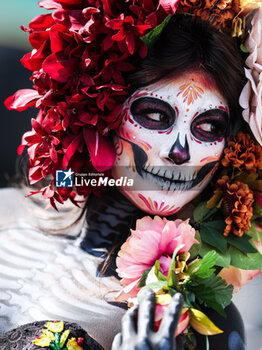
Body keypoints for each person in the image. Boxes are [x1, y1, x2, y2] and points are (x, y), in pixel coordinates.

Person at [1, 2, 262, 350]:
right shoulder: (8, 208)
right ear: (99, 108)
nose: (180, 151)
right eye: (155, 115)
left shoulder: (200, 317)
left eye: (209, 126)